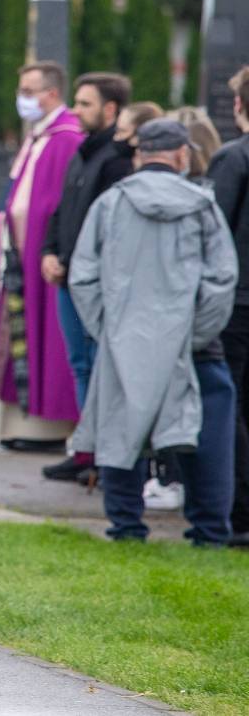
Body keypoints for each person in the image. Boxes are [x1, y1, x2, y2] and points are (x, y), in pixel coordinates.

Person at [70, 119, 238, 546]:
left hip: (124, 340)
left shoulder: (111, 204)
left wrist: (110, 330)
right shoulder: (203, 205)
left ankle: (126, 526)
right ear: (183, 155)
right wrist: (191, 336)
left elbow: (83, 277)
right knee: (210, 433)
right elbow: (222, 280)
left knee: (120, 428)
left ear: (140, 154)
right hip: (198, 349)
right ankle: (210, 531)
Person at [0, 61, 85, 452]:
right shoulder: (38, 137)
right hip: (17, 255)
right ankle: (20, 424)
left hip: (40, 258)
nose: (23, 99)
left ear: (51, 94)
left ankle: (47, 428)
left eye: (29, 91)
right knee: (15, 337)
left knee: (45, 338)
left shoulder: (66, 139)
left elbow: (52, 203)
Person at [33, 73, 133, 481]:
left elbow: (108, 230)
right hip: (68, 278)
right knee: (81, 365)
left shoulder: (117, 160)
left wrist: (72, 262)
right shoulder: (83, 153)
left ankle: (98, 455)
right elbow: (63, 210)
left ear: (111, 110)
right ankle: (85, 450)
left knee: (97, 366)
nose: (76, 110)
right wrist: (50, 252)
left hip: (94, 284)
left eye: (86, 103)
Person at [206, 68, 249, 547]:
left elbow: (215, 237)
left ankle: (236, 512)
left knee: (229, 406)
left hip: (235, 302)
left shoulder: (234, 159)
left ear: (239, 106)